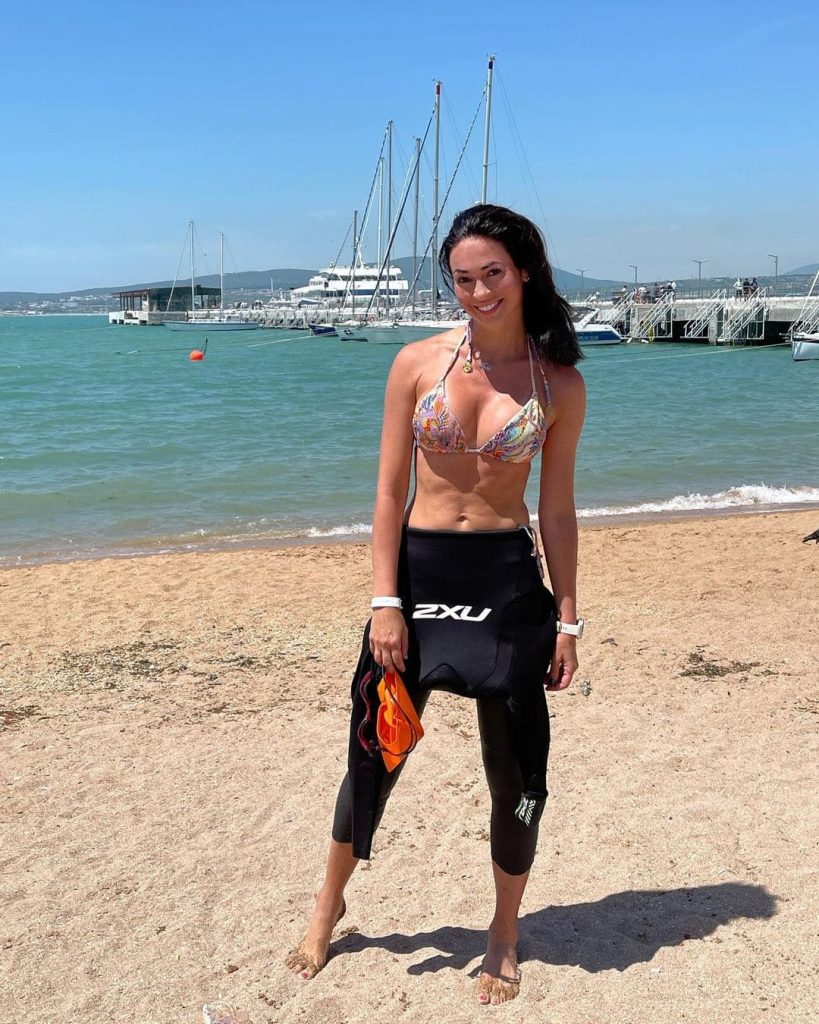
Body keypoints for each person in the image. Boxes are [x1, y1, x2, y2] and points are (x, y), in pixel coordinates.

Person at [285, 204, 586, 1005]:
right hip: (419, 582)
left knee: (516, 772)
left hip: (504, 585)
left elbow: (556, 510)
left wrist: (567, 617)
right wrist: (385, 601)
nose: (478, 292)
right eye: (462, 278)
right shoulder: (416, 363)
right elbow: (388, 493)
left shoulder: (558, 384)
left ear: (523, 272)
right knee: (374, 752)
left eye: (492, 274)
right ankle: (327, 904)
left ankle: (503, 931)